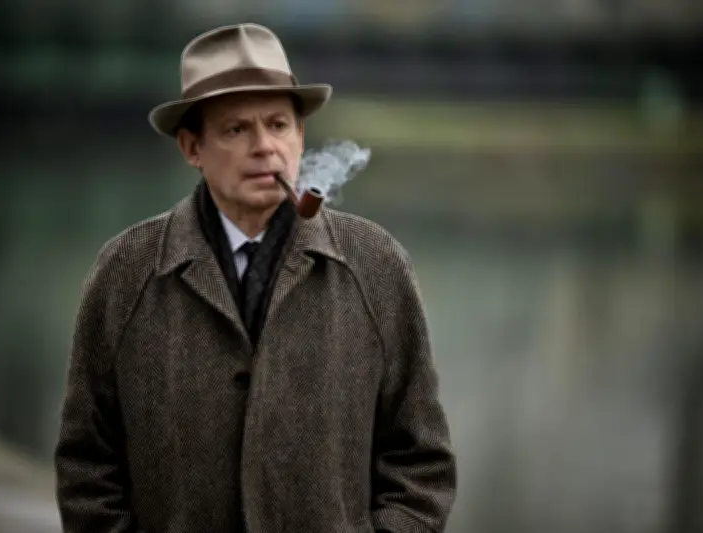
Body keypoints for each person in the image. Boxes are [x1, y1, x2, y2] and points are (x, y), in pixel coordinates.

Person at [54, 22, 457, 533]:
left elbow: (421, 465)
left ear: (301, 136)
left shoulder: (375, 263)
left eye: (278, 125)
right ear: (192, 148)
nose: (265, 147)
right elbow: (88, 466)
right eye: (236, 130)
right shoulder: (127, 270)